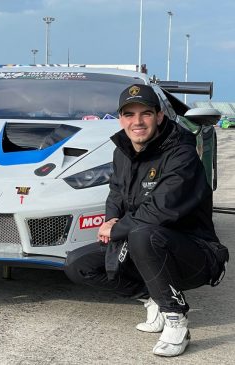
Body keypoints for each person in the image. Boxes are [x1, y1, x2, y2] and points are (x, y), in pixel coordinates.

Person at [65, 84, 226, 356]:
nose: (137, 122)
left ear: (160, 116)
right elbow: (116, 191)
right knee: (77, 265)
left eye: (145, 114)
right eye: (129, 114)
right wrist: (111, 218)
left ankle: (176, 318)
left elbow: (161, 209)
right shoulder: (123, 151)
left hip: (195, 253)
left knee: (143, 233)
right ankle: (153, 296)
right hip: (142, 242)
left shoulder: (181, 153)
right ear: (120, 118)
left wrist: (117, 230)